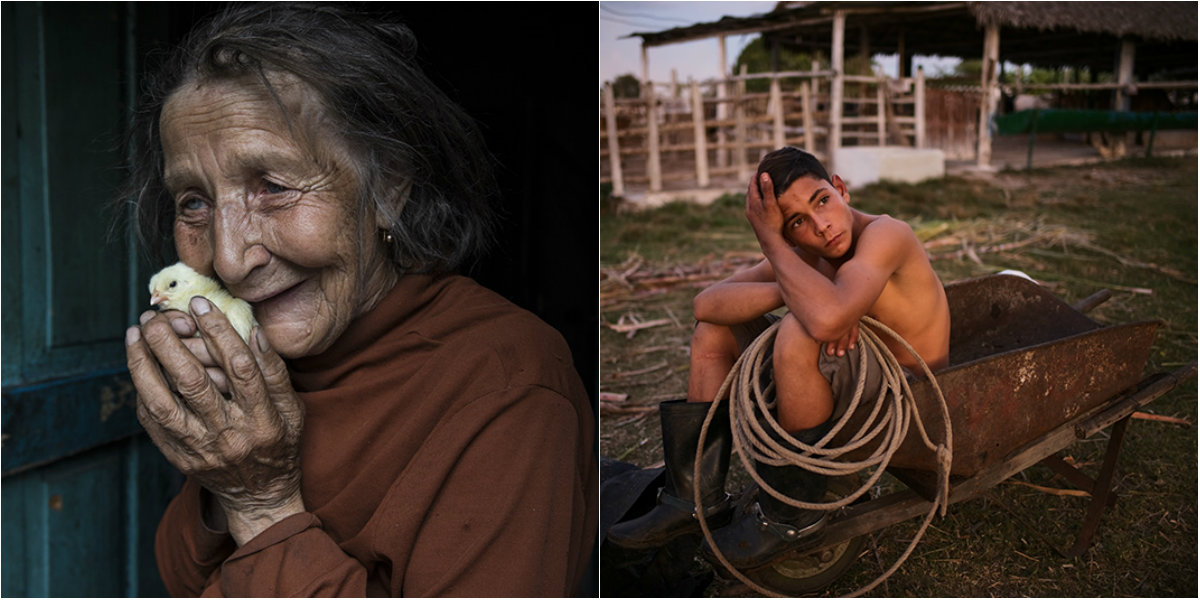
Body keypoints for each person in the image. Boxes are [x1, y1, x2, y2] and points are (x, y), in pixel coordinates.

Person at [121, 4, 596, 596]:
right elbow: (182, 575)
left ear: (388, 185)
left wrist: (261, 505)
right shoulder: (261, 358)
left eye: (272, 187)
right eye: (194, 201)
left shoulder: (508, 382)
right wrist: (226, 473)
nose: (227, 258)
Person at [607, 146, 950, 570]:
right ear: (787, 234)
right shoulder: (804, 254)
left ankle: (794, 515)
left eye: (822, 200)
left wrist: (813, 294)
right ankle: (695, 500)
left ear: (840, 188)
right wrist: (793, 284)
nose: (821, 226)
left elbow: (824, 321)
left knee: (799, 328)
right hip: (849, 373)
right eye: (797, 223)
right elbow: (705, 304)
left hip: (908, 390)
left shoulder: (886, 234)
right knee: (717, 330)